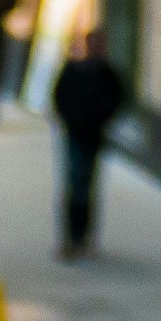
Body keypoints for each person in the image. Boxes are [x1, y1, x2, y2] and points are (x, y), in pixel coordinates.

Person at [49, 31, 128, 259]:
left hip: (92, 135)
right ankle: (73, 238)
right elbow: (59, 98)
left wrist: (102, 118)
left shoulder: (107, 74)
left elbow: (117, 100)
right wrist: (70, 119)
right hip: (76, 134)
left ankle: (81, 238)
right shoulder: (74, 70)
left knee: (85, 184)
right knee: (77, 183)